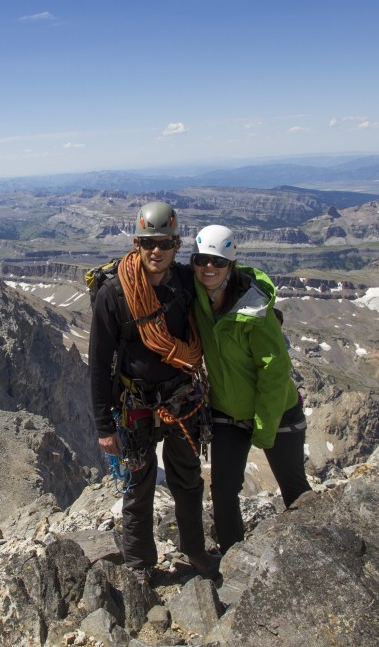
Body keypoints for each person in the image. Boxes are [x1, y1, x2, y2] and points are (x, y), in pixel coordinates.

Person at [89, 201, 221, 584]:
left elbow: (220, 280)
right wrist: (103, 425)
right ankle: (140, 565)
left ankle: (195, 552)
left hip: (181, 399)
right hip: (137, 406)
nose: (156, 251)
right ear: (136, 244)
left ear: (176, 245)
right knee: (139, 486)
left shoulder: (185, 282)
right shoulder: (114, 295)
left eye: (164, 243)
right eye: (149, 244)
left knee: (188, 481)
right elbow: (98, 363)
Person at [190, 224, 312, 554]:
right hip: (227, 411)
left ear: (231, 263)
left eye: (217, 261)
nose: (208, 268)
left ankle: (317, 552)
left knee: (294, 487)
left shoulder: (254, 310)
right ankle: (234, 560)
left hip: (277, 412)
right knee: (223, 490)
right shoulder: (197, 295)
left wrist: (264, 426)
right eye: (201, 260)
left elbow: (274, 372)